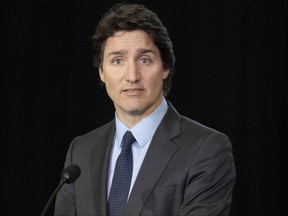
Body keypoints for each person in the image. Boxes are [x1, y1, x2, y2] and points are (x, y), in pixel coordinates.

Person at [54, 2, 236, 216]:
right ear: (101, 71)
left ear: (165, 68)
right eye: (117, 61)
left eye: (145, 59)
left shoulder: (207, 149)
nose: (132, 76)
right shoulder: (81, 151)